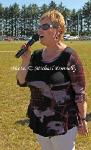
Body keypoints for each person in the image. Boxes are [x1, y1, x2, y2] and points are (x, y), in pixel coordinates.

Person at [16, 9, 88, 150]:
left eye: (45, 27)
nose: (39, 30)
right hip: (39, 120)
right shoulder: (35, 56)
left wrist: (83, 119)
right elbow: (21, 81)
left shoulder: (69, 56)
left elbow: (80, 92)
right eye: (39, 26)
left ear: (58, 31)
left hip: (63, 123)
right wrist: (25, 61)